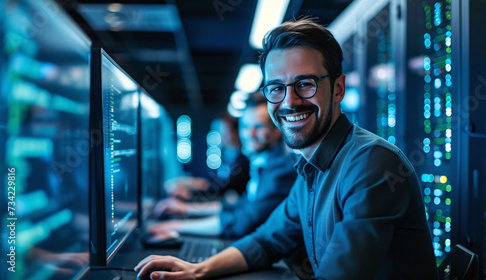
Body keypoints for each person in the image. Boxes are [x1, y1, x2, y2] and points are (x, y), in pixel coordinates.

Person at [135, 18, 438, 280]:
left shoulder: (371, 163)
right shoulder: (310, 166)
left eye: (305, 84)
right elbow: (266, 241)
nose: (289, 102)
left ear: (338, 89)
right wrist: (195, 270)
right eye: (276, 88)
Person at [149, 92, 297, 238]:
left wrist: (179, 226)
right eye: (245, 126)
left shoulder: (281, 170)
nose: (249, 133)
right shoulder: (263, 164)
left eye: (258, 126)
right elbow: (239, 206)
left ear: (278, 130)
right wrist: (186, 209)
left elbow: (244, 222)